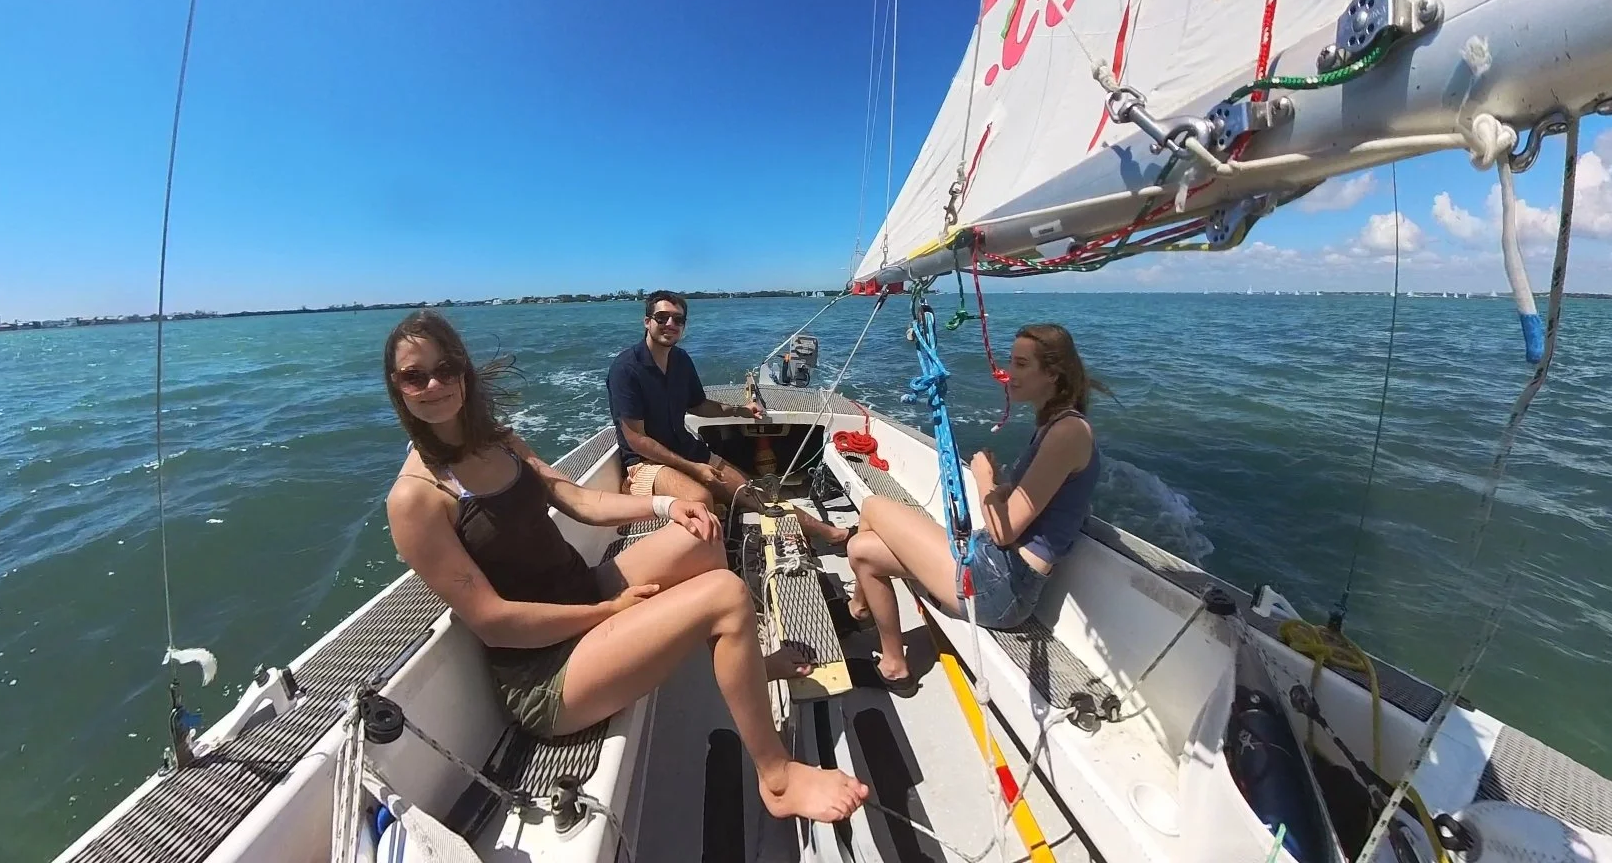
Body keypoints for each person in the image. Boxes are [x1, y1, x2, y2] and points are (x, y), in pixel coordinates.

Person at [381, 310, 866, 823]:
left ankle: (746, 664)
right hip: (547, 673)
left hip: (584, 594)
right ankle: (778, 778)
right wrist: (609, 611)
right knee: (725, 594)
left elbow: (578, 500)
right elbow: (495, 622)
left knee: (702, 536)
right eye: (415, 376)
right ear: (396, 386)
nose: (433, 385)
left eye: (445, 368)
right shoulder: (416, 498)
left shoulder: (498, 441)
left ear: (464, 370)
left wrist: (667, 506)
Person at [845, 323, 1105, 695]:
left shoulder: (1067, 432)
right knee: (861, 550)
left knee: (872, 506)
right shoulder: (1055, 426)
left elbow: (1005, 531)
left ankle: (858, 610)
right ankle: (893, 663)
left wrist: (983, 478)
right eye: (1010, 362)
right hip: (998, 569)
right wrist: (999, 487)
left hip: (1001, 586)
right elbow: (1029, 504)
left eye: (1021, 364)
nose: (1008, 373)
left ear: (1053, 374)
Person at [607, 291, 851, 546]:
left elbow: (698, 405)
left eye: (677, 319)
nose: (670, 324)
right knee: (700, 500)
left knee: (753, 492)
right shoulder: (626, 369)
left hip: (685, 449)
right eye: (662, 317)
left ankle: (832, 534)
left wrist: (740, 411)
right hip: (645, 464)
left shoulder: (680, 360)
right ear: (647, 322)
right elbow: (637, 440)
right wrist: (694, 469)